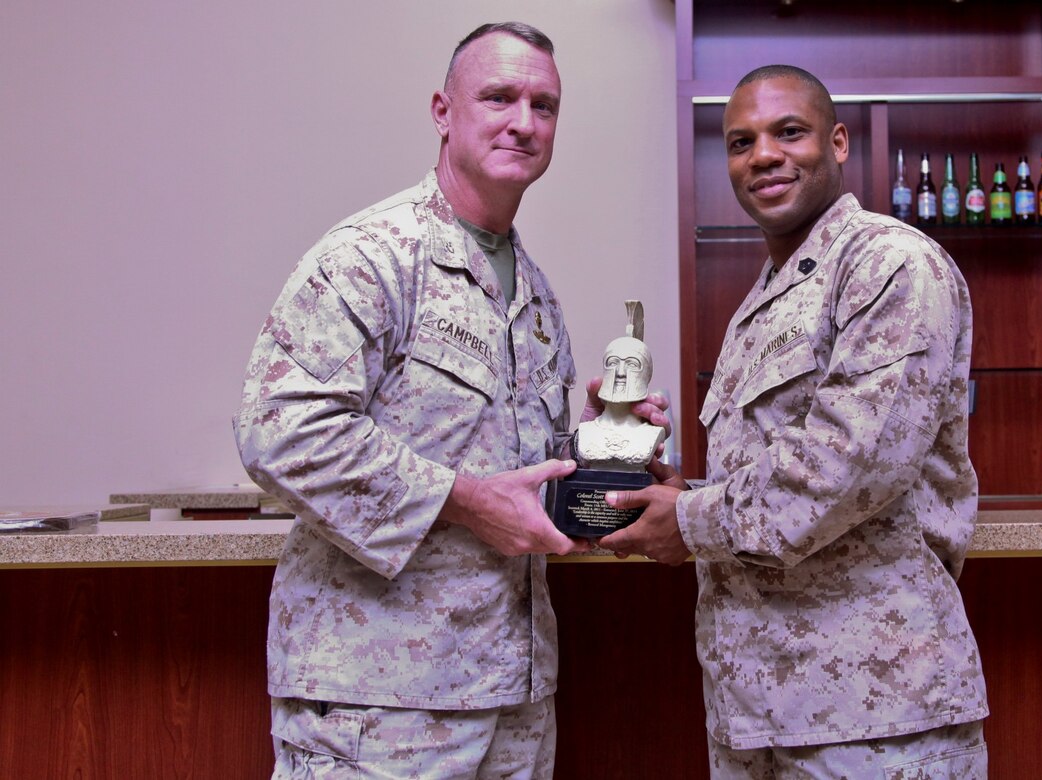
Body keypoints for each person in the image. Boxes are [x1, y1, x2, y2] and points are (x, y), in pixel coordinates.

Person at [234, 22, 666, 778]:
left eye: (545, 105)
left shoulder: (534, 293)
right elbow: (280, 430)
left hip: (510, 693)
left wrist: (601, 448)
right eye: (499, 96)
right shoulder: (372, 256)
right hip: (381, 701)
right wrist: (463, 501)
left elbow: (512, 470)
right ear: (442, 110)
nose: (524, 122)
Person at [599, 65, 989, 777]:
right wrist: (662, 483)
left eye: (789, 132)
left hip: (875, 718)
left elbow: (845, 472)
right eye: (742, 142)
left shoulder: (890, 264)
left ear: (837, 142)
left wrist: (686, 520)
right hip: (758, 714)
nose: (764, 155)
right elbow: (765, 471)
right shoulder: (767, 297)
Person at [573, 301, 666, 471]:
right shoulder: (587, 432)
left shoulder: (650, 435)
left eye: (631, 364)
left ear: (646, 373)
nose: (621, 373)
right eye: (613, 363)